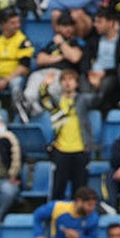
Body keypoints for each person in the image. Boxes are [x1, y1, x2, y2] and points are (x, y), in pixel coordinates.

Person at [40, 68, 93, 201]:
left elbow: (97, 99)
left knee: (80, 191)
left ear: (77, 83)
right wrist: (45, 85)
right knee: (58, 190)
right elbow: (44, 99)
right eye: (64, 80)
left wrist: (94, 85)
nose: (67, 83)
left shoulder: (83, 100)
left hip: (80, 150)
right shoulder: (57, 102)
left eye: (71, 79)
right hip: (61, 150)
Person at [0, 10, 34, 120]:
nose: (17, 25)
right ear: (3, 24)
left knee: (15, 84)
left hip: (15, 76)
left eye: (18, 22)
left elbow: (24, 67)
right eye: (13, 23)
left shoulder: (23, 41)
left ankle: (17, 115)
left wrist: (6, 80)